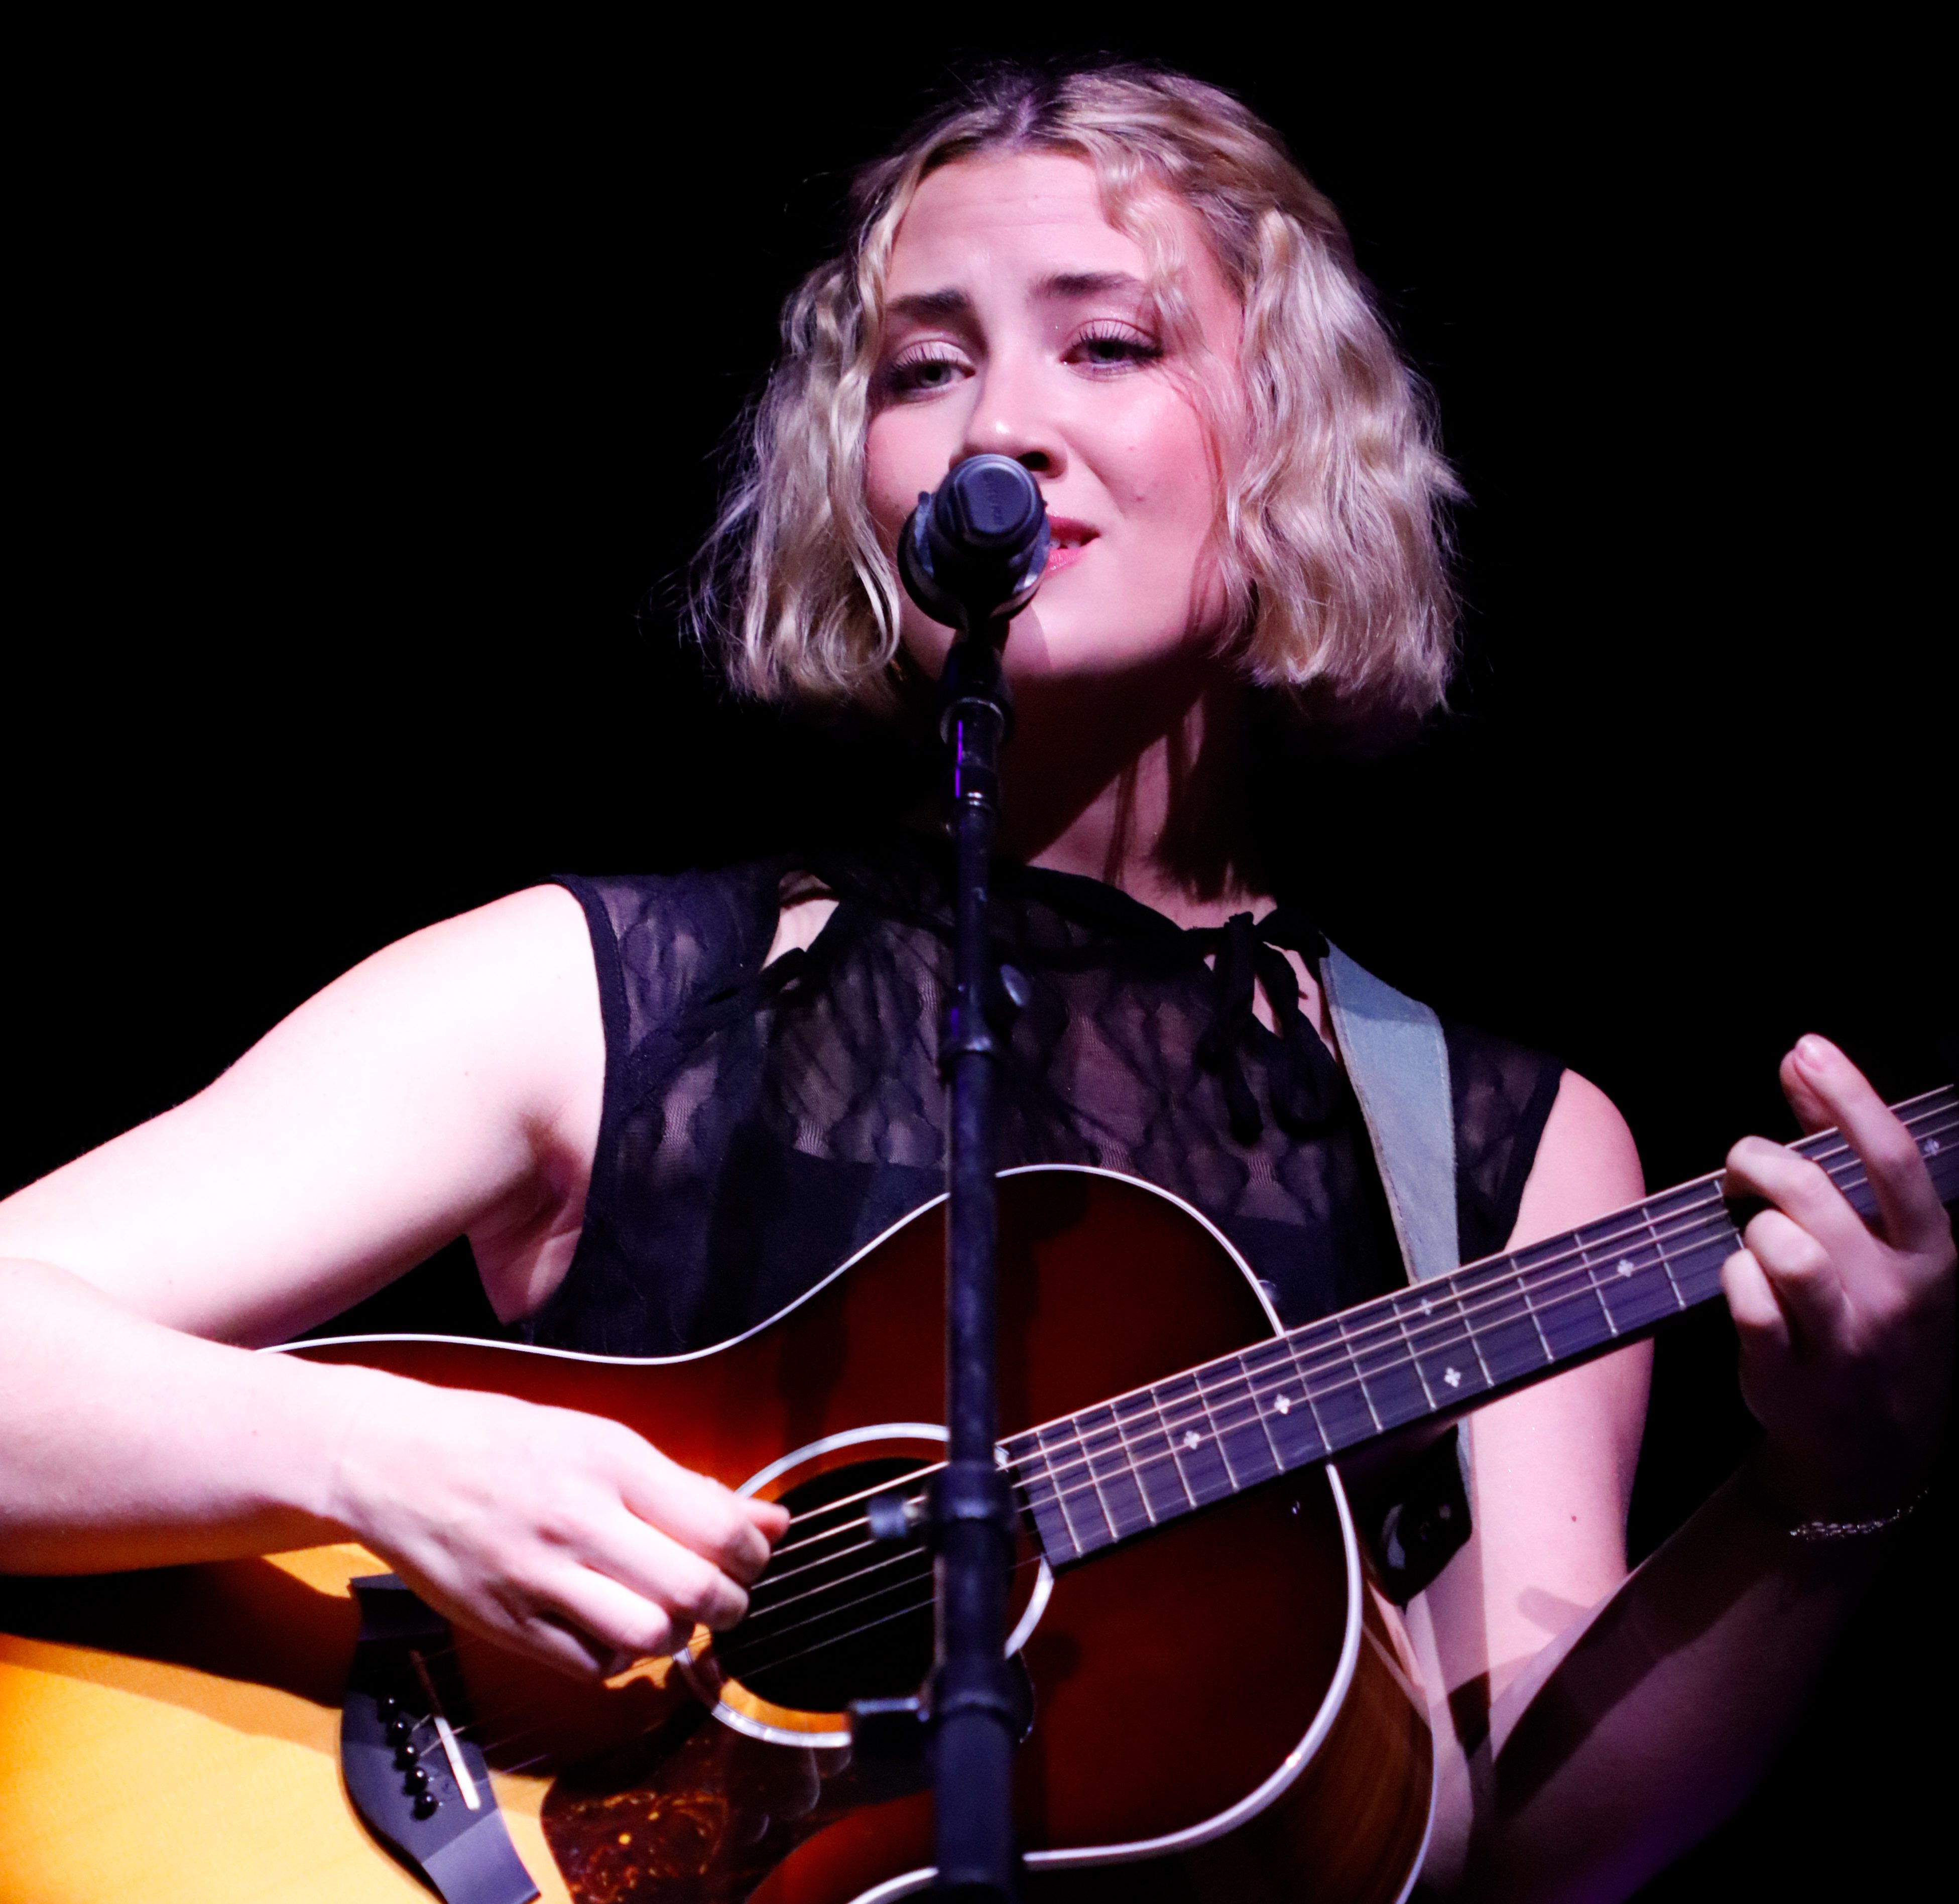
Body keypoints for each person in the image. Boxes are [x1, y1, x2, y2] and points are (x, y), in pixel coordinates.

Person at [0, 62, 1949, 1902]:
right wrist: (380, 1459)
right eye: (923, 366)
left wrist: (1826, 1492)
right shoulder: (601, 995)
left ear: (1289, 437)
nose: (996, 426)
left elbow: (1524, 1848)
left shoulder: (1483, 1139)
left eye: (1110, 343)